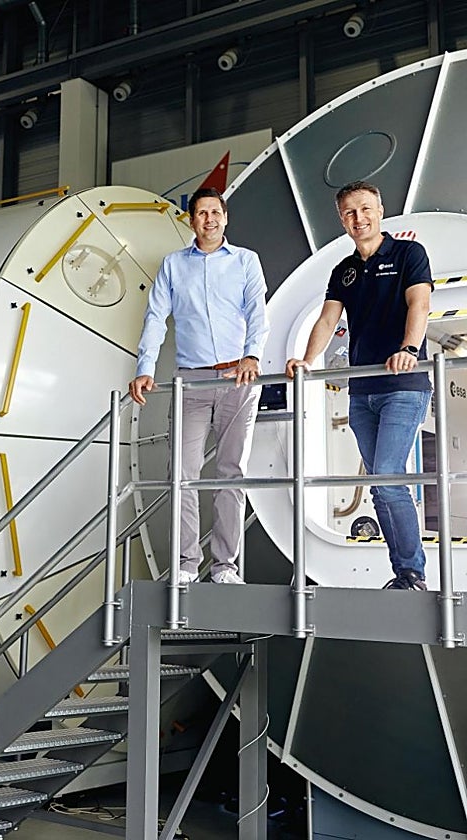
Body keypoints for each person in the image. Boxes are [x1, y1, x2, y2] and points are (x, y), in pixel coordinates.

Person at [286, 181, 432, 590]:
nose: (359, 218)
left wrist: (409, 347)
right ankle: (403, 574)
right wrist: (307, 360)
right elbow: (327, 320)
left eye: (365, 209)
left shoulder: (408, 254)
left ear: (380, 210)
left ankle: (412, 572)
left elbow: (419, 303)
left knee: (388, 475)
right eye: (350, 213)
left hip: (403, 385)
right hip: (361, 392)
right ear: (342, 219)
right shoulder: (344, 271)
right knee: (379, 485)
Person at [130, 187, 269, 585]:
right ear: (191, 221)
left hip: (237, 378)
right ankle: (187, 563)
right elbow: (156, 317)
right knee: (183, 474)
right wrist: (146, 367)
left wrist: (253, 355)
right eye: (201, 213)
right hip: (190, 381)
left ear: (225, 218)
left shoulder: (246, 261)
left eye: (215, 212)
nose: (208, 219)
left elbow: (257, 312)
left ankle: (225, 566)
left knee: (231, 474)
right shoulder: (173, 265)